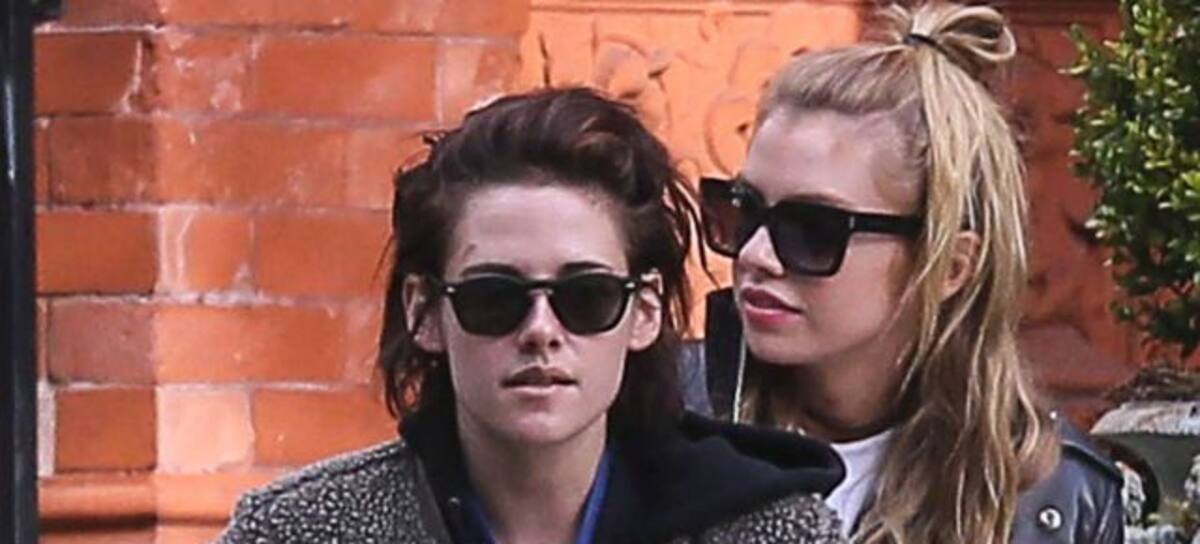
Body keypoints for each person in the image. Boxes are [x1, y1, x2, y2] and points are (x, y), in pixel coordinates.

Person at [217, 88, 846, 543]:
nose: (541, 331)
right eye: (495, 298)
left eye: (587, 297)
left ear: (645, 310)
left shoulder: (769, 533)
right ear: (425, 311)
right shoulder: (299, 532)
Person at [691, 2, 1124, 543]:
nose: (756, 254)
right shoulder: (659, 420)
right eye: (744, 209)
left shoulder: (1053, 496)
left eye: (812, 229)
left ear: (949, 266)